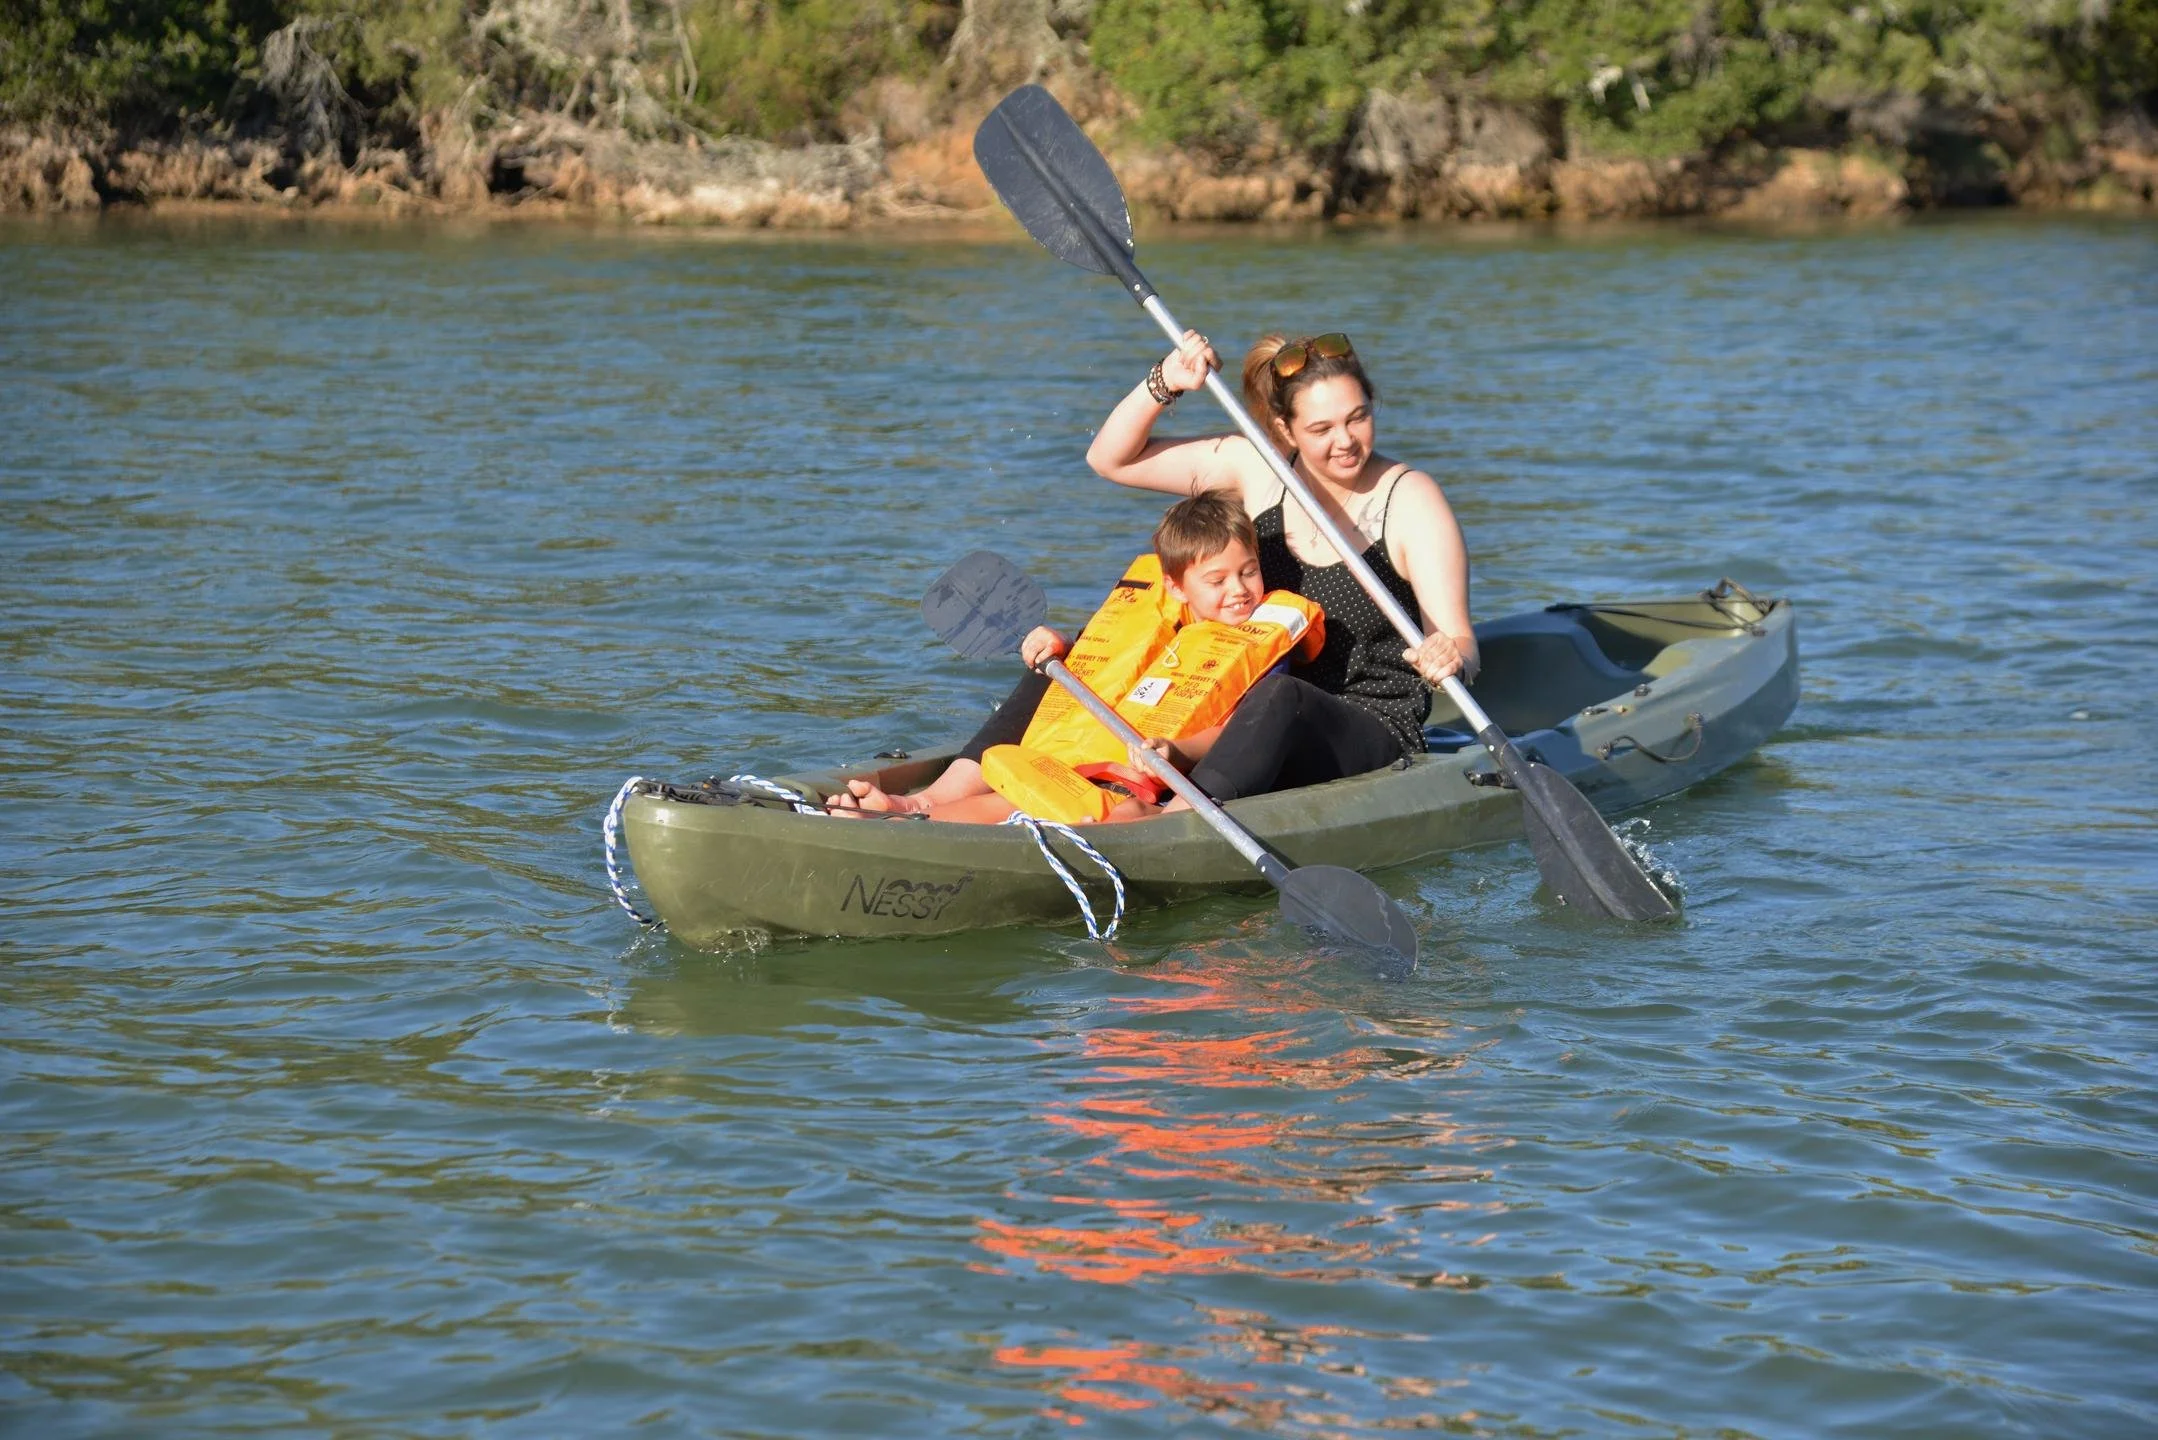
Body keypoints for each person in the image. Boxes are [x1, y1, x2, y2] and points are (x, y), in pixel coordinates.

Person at [1081, 328, 1479, 799]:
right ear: (1285, 429)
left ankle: (1178, 819)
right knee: (1089, 652)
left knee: (1281, 698)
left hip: (1369, 728)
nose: (1346, 441)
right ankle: (979, 782)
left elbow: (1461, 643)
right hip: (1238, 711)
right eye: (1321, 429)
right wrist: (1166, 381)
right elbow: (1111, 460)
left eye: (1358, 418)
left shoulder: (1411, 501)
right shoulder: (1259, 467)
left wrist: (1450, 655)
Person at [828, 493, 1320, 823]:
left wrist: (1177, 749)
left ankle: (918, 818)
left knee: (1028, 801)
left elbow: (1245, 725)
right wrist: (1064, 647)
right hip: (1091, 753)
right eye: (1217, 581)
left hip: (1156, 775)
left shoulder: (1264, 641)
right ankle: (915, 807)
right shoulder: (1165, 618)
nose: (1239, 591)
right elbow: (1118, 666)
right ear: (1175, 587)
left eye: (1249, 573)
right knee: (1029, 774)